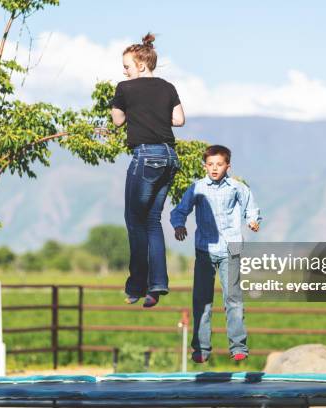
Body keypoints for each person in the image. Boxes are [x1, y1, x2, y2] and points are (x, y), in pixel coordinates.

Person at [110, 33, 185, 308]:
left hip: (145, 156)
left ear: (141, 64)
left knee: (134, 220)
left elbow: (117, 121)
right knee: (153, 221)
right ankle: (158, 284)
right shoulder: (167, 86)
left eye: (127, 66)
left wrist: (132, 110)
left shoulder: (124, 88)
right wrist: (155, 114)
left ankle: (136, 285)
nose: (124, 71)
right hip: (169, 158)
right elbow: (179, 119)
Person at [170, 145, 261, 362]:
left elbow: (251, 207)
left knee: (233, 298)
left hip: (232, 246)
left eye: (219, 164)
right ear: (205, 166)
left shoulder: (237, 188)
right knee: (202, 300)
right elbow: (180, 210)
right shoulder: (197, 188)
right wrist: (178, 225)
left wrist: (252, 221)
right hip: (205, 248)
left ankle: (238, 346)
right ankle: (201, 349)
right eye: (210, 164)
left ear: (227, 166)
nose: (214, 168)